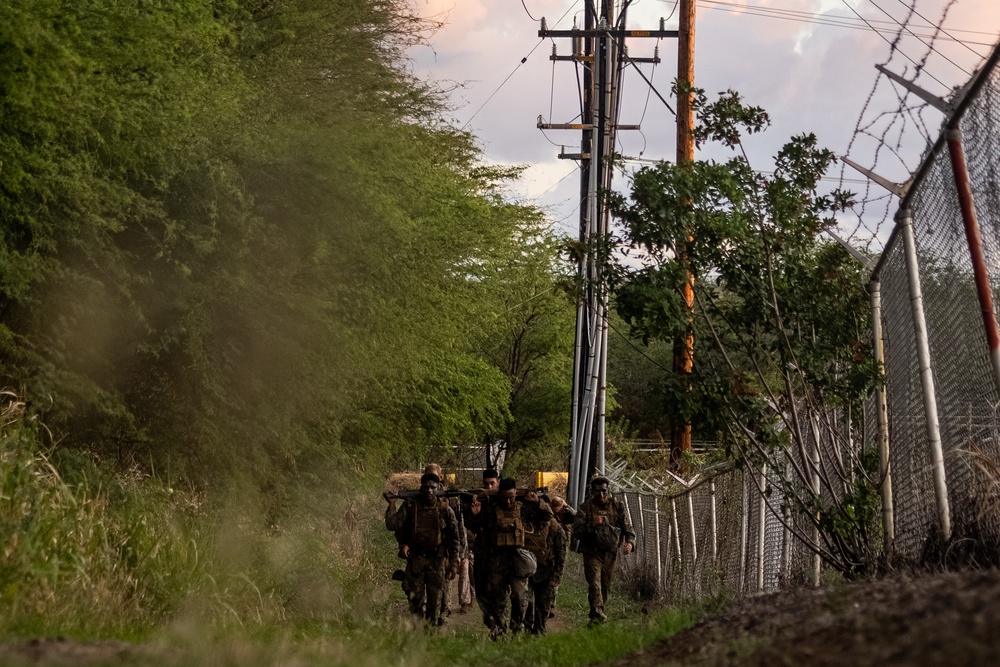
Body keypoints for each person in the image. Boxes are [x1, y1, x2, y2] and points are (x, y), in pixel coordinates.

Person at [468, 478, 552, 638]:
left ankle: (517, 628)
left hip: (517, 561)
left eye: (511, 497)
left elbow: (547, 516)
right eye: (504, 497)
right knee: (498, 599)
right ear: (499, 495)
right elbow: (476, 528)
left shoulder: (523, 508)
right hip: (497, 561)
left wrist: (538, 502)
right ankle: (500, 631)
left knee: (520, 597)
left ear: (516, 495)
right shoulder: (491, 510)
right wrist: (475, 516)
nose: (508, 501)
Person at [384, 473, 460, 624]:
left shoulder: (445, 509)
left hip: (437, 559)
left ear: (438, 487)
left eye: (433, 487)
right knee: (415, 598)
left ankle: (432, 634)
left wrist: (453, 562)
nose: (429, 491)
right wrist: (392, 505)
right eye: (426, 487)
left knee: (435, 600)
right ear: (421, 487)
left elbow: (454, 537)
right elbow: (393, 525)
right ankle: (417, 631)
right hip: (416, 558)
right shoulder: (411, 506)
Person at [572, 475, 635, 623]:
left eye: (604, 491)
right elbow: (577, 533)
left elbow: (627, 527)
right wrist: (591, 524)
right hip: (591, 552)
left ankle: (597, 613)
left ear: (608, 491)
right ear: (592, 492)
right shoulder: (585, 508)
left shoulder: (616, 506)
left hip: (609, 553)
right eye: (597, 492)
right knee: (595, 584)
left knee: (605, 586)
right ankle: (598, 615)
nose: (601, 495)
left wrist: (630, 543)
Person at [423, 463, 467, 624]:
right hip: (429, 547)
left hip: (447, 547)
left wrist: (460, 552)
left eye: (434, 474)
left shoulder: (451, 498)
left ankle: (443, 611)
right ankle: (433, 612)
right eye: (428, 474)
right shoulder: (422, 494)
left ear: (441, 476)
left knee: (446, 581)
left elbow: (459, 527)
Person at [465, 468, 500, 624]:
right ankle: (489, 616)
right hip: (483, 550)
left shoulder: (504, 499)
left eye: (492, 483)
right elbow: (473, 528)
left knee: (499, 590)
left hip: (500, 552)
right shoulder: (480, 500)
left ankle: (499, 623)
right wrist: (475, 514)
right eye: (486, 484)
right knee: (480, 588)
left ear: (498, 482)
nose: (490, 487)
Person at [523, 509, 566, 634]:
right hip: (527, 572)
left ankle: (539, 631)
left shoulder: (554, 527)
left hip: (546, 571)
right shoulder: (525, 524)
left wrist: (557, 576)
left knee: (543, 604)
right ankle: (527, 630)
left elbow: (561, 553)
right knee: (527, 603)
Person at [547, 496, 575, 619]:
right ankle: (547, 604)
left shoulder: (565, 514)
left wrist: (565, 506)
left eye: (558, 506)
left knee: (556, 575)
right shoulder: (549, 514)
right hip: (550, 547)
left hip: (562, 548)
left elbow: (576, 516)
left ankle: (551, 605)